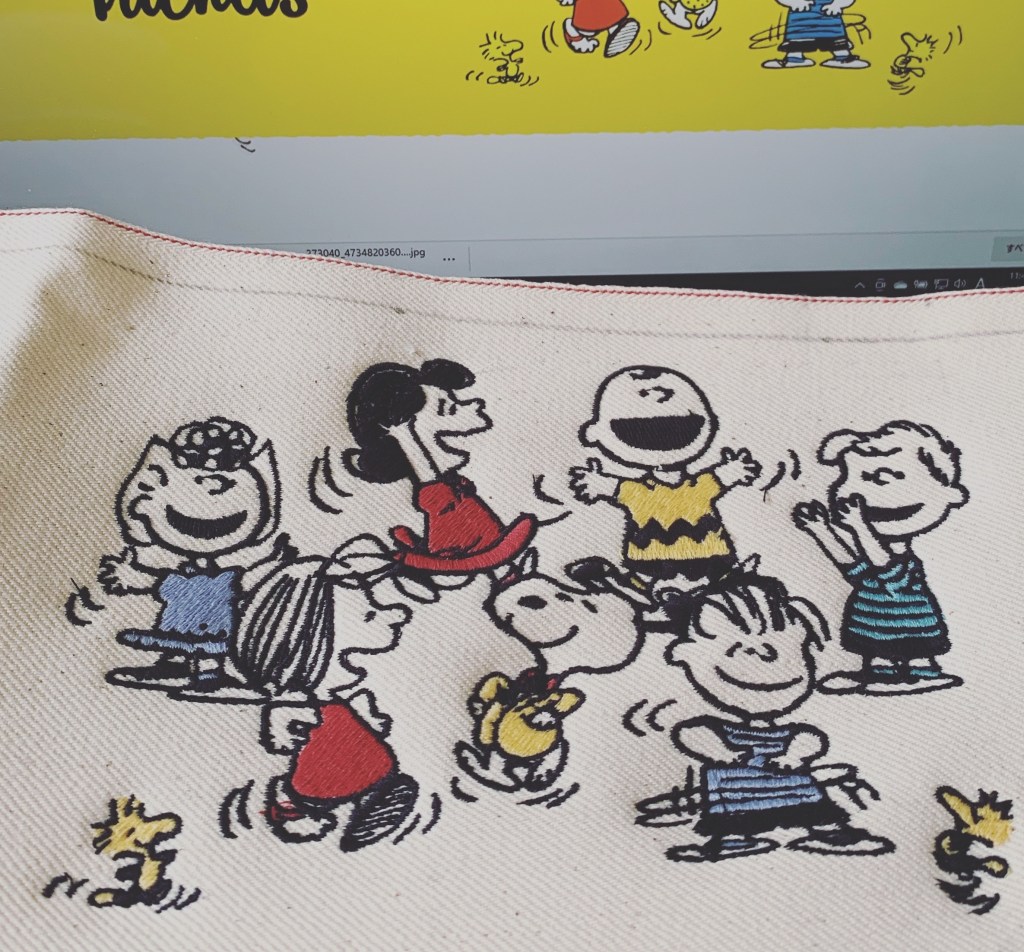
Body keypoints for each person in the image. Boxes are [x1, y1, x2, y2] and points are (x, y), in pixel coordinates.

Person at [644, 570, 894, 862]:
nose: (761, 656)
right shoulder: (721, 730)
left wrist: (796, 754)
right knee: (733, 821)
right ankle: (733, 841)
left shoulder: (785, 733)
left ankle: (831, 833)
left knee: (816, 812)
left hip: (792, 788)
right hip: (736, 795)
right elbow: (691, 734)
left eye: (786, 650)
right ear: (684, 654)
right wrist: (719, 752)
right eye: (733, 648)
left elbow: (809, 738)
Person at [233, 553, 420, 850]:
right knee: (326, 789)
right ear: (306, 639)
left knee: (372, 774)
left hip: (364, 762)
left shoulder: (334, 696)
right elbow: (281, 734)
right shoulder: (295, 703)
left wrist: (370, 719)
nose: (397, 615)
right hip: (320, 778)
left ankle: (374, 800)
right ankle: (302, 810)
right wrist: (288, 727)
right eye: (369, 614)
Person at [96, 417, 292, 692]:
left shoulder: (225, 578)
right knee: (178, 644)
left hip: (215, 628)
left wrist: (274, 565)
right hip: (179, 626)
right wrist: (128, 576)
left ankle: (209, 674)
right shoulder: (192, 576)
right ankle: (174, 667)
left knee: (208, 650)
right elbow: (157, 583)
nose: (213, 487)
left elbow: (248, 583)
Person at [794, 420, 968, 694]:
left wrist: (859, 526)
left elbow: (888, 570)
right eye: (850, 477)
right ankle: (879, 675)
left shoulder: (905, 561)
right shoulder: (870, 544)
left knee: (917, 654)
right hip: (871, 624)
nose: (853, 492)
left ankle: (923, 674)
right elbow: (855, 570)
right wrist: (822, 530)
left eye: (884, 478)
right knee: (878, 657)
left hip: (912, 626)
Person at [569, 366, 760, 600]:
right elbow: (616, 489)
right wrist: (596, 483)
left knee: (710, 586)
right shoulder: (640, 491)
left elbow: (717, 479)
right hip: (653, 561)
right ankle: (622, 585)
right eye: (634, 430)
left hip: (708, 557)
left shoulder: (695, 487)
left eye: (683, 425)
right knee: (649, 586)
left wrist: (734, 471)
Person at [342, 359, 537, 580]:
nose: (475, 404)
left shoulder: (449, 489)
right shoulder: (445, 500)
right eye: (448, 408)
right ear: (406, 427)